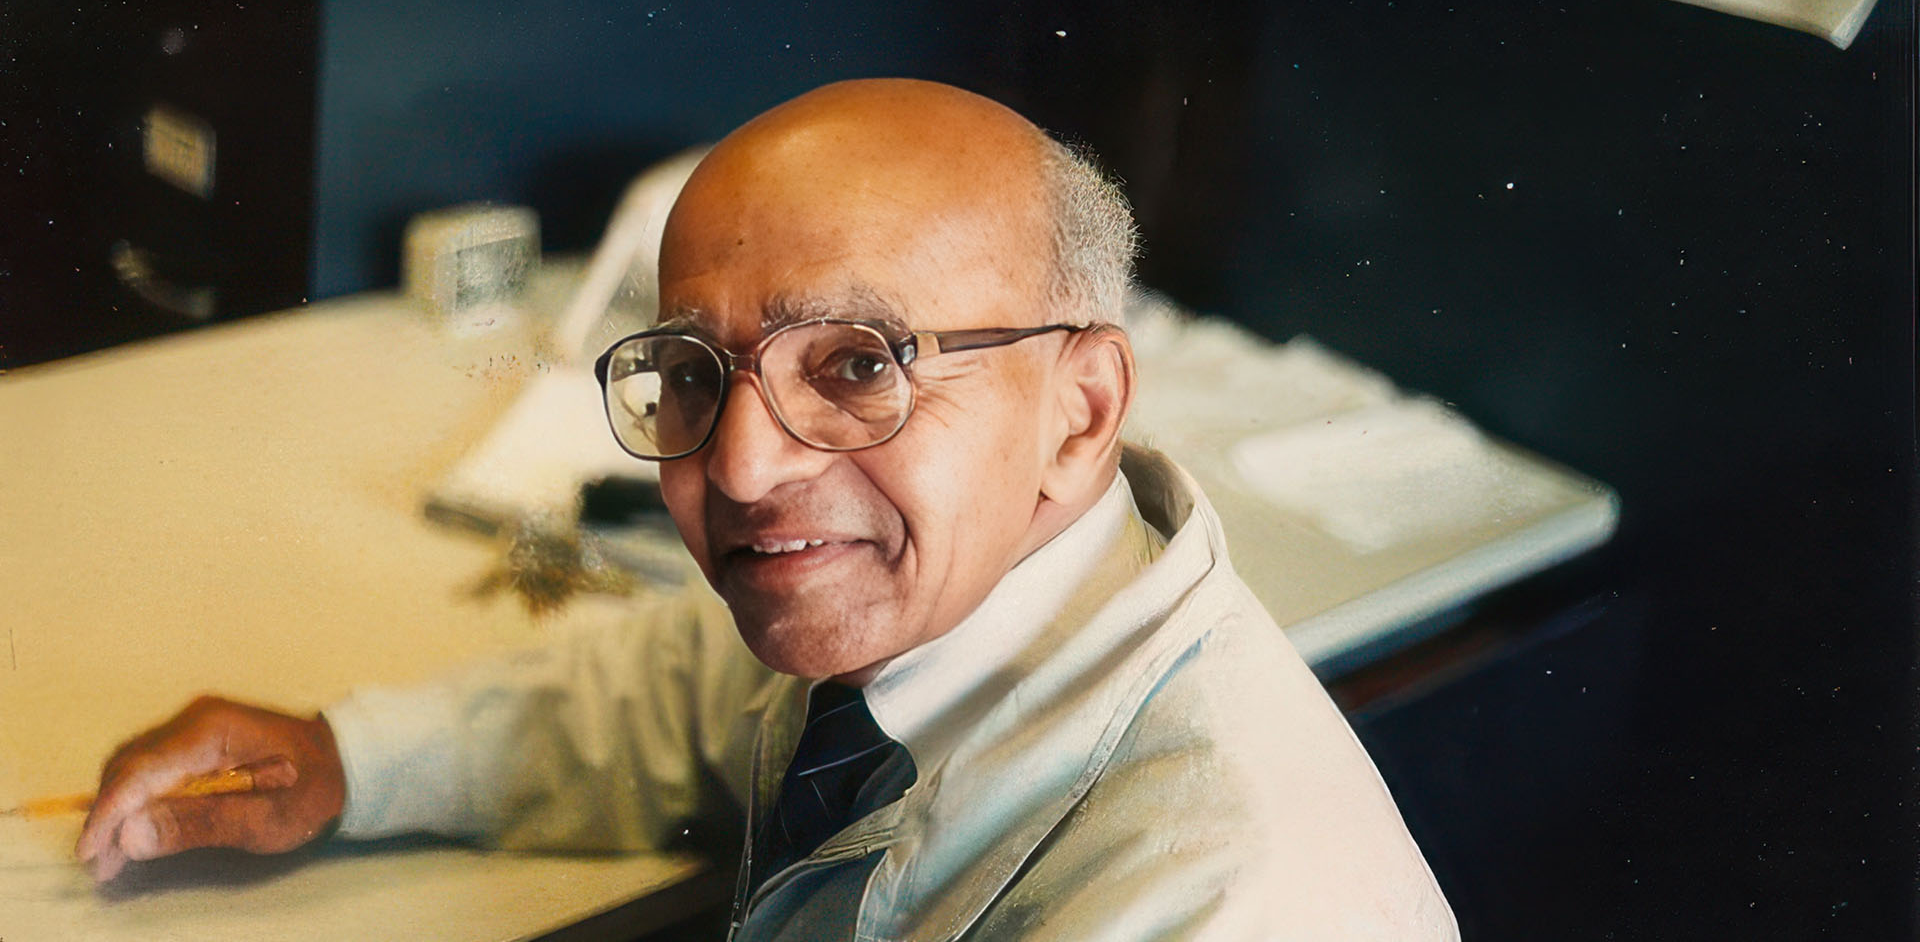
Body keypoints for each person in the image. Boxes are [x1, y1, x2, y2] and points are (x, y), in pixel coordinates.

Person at [75, 79, 1458, 939]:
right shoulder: (933, 603)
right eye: (691, 372)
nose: (737, 470)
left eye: (860, 364)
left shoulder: (1237, 899)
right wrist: (346, 762)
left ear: (1082, 412)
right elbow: (677, 689)